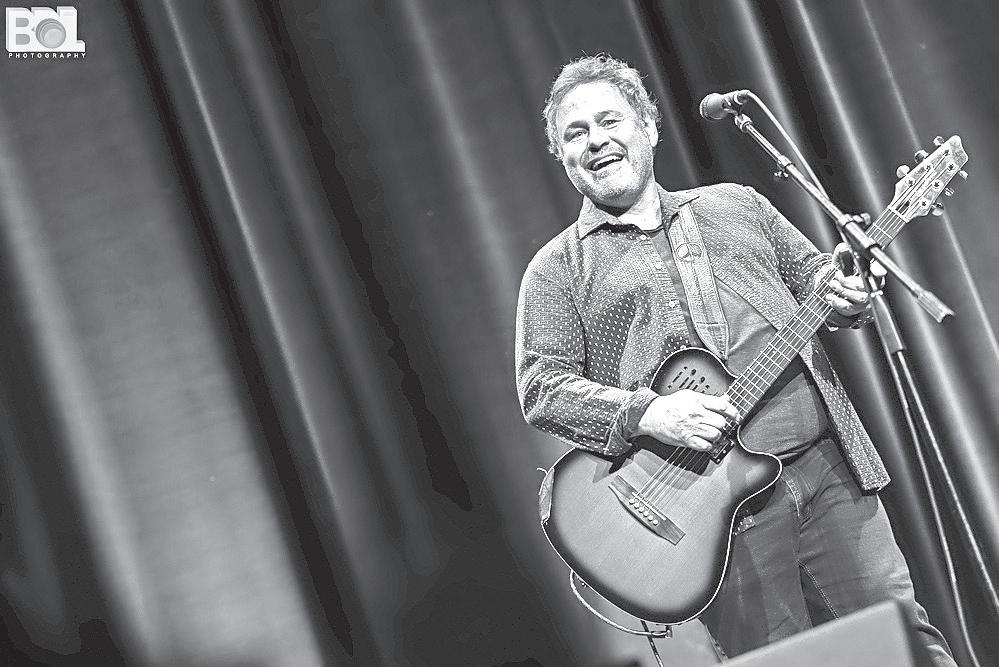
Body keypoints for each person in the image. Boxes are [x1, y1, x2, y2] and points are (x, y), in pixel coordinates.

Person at [514, 54, 954, 665]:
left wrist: (848, 295)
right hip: (715, 517)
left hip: (827, 471)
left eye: (609, 121)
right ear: (562, 157)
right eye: (575, 132)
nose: (595, 140)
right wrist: (651, 414)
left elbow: (816, 280)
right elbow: (541, 388)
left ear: (649, 126)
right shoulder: (557, 269)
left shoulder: (737, 205)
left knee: (906, 646)